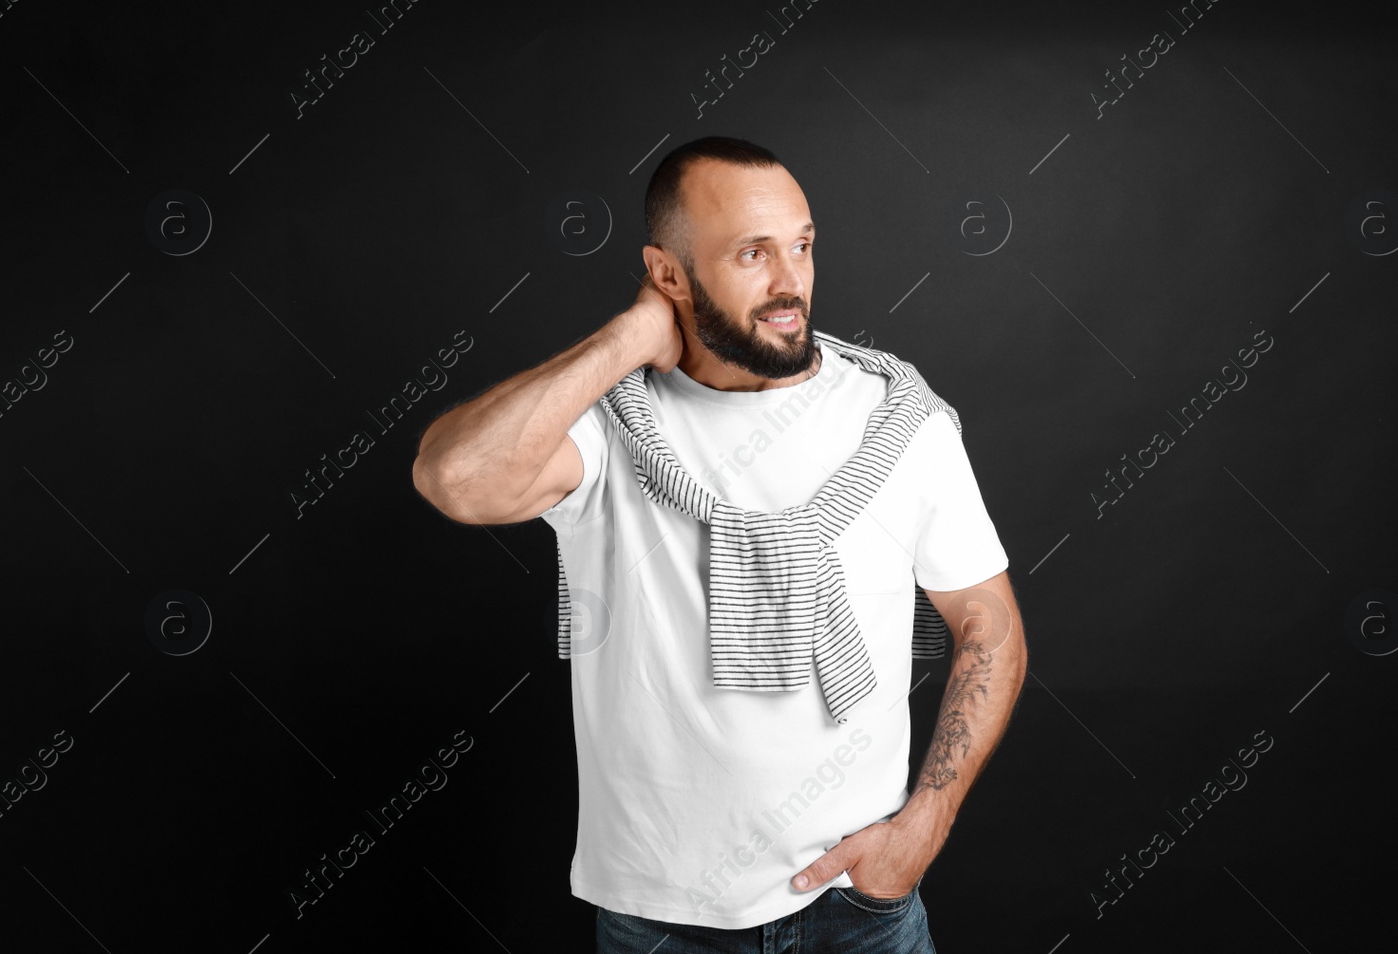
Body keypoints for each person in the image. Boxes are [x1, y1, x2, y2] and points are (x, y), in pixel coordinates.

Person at [412, 136, 1026, 952]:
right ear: (668, 273)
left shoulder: (899, 418)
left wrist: (924, 824)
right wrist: (630, 338)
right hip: (661, 921)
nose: (789, 283)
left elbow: (992, 625)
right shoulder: (606, 428)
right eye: (751, 254)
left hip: (860, 908)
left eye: (802, 246)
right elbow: (456, 477)